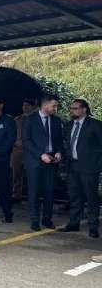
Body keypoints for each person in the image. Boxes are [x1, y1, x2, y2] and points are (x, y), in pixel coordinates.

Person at [58, 99, 102, 238]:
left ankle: (93, 226)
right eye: (71, 108)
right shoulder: (68, 125)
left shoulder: (95, 125)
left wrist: (98, 164)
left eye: (75, 108)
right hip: (73, 165)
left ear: (84, 110)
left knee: (91, 197)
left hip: (90, 167)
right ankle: (73, 223)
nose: (72, 111)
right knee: (75, 196)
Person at [22, 94, 64, 231]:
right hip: (35, 160)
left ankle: (47, 218)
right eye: (54, 106)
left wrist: (58, 152)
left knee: (49, 191)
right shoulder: (30, 120)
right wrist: (41, 154)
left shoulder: (56, 121)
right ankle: (34, 220)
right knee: (33, 191)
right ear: (45, 105)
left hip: (51, 160)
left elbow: (58, 140)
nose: (55, 109)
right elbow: (26, 141)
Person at [11, 99, 36, 202]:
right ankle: (16, 195)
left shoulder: (36, 119)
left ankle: (33, 197)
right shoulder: (17, 119)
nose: (25, 107)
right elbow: (11, 133)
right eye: (24, 105)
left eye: (28, 105)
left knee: (32, 174)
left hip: (31, 150)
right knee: (16, 173)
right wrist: (15, 142)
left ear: (33, 107)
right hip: (17, 149)